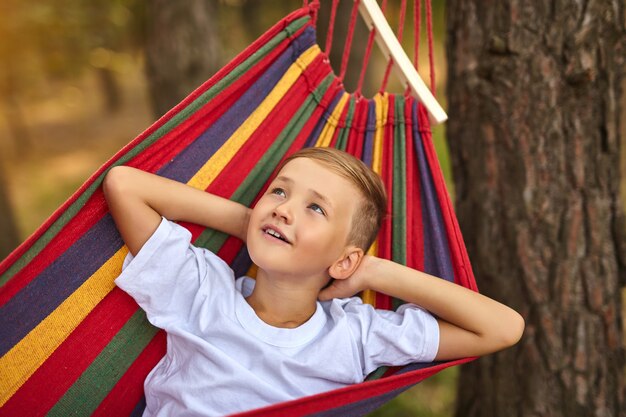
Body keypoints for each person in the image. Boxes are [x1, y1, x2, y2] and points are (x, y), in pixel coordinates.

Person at [103, 147, 524, 417]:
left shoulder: (353, 335)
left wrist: (376, 271)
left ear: (345, 260)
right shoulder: (201, 291)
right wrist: (251, 221)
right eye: (280, 193)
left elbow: (502, 328)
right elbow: (124, 184)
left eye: (316, 209)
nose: (284, 210)